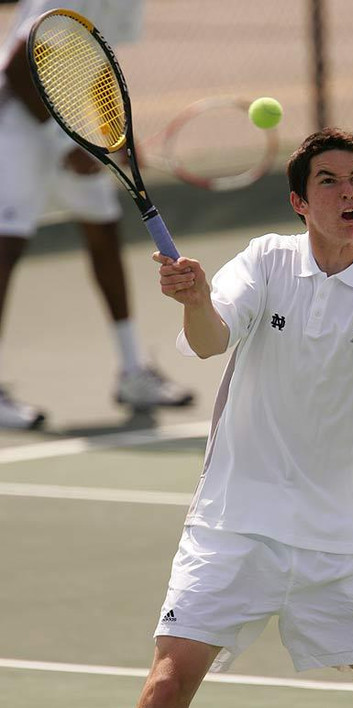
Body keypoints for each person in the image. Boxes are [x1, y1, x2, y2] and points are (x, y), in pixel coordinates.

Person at [130, 128, 353, 708]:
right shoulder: (266, 261)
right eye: (329, 181)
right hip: (238, 522)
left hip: (343, 539)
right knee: (167, 688)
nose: (348, 192)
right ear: (299, 202)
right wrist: (196, 300)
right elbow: (212, 339)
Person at [0, 0, 194, 429]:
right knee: (7, 246)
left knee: (103, 230)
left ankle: (132, 374)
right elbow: (18, 68)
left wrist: (114, 133)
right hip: (16, 125)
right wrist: (66, 140)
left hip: (68, 128)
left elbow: (98, 61)